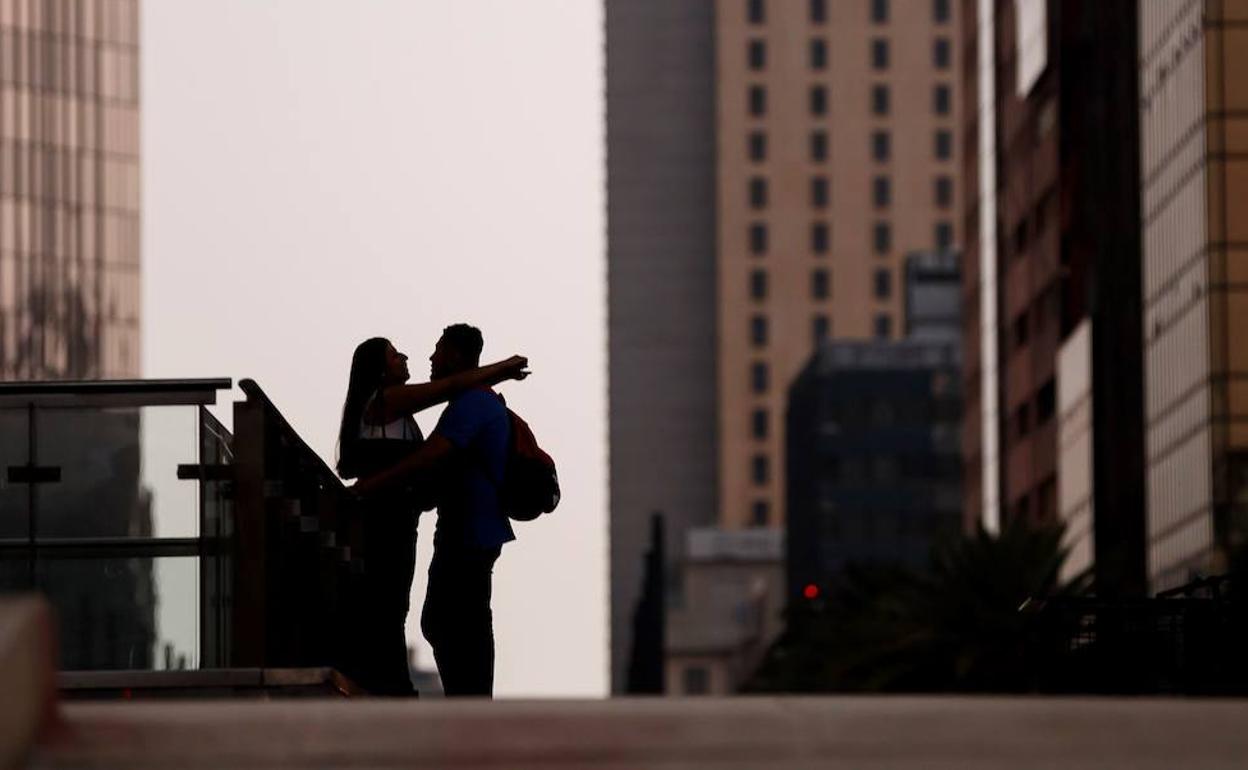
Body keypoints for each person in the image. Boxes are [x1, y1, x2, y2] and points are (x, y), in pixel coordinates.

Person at [335, 336, 526, 695]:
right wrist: (500, 370)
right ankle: (393, 686)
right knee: (391, 603)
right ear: (379, 370)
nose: (406, 356)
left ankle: (392, 684)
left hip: (399, 523)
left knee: (397, 604)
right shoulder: (386, 401)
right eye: (394, 355)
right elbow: (446, 388)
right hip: (384, 522)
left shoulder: (399, 413)